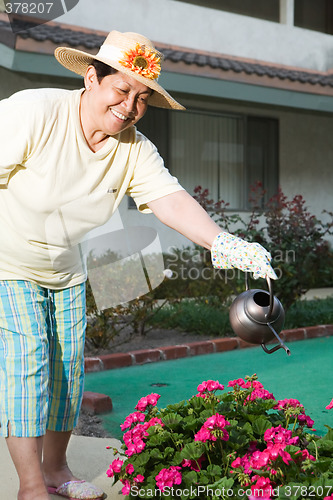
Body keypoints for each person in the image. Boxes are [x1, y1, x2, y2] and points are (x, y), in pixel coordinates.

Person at [0, 30, 277, 500]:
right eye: (122, 89)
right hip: (8, 260)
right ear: (91, 78)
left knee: (67, 371)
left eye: (142, 97)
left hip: (66, 269)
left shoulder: (134, 148)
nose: (130, 106)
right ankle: (31, 487)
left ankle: (56, 470)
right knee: (28, 362)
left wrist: (225, 243)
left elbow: (169, 200)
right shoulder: (35, 112)